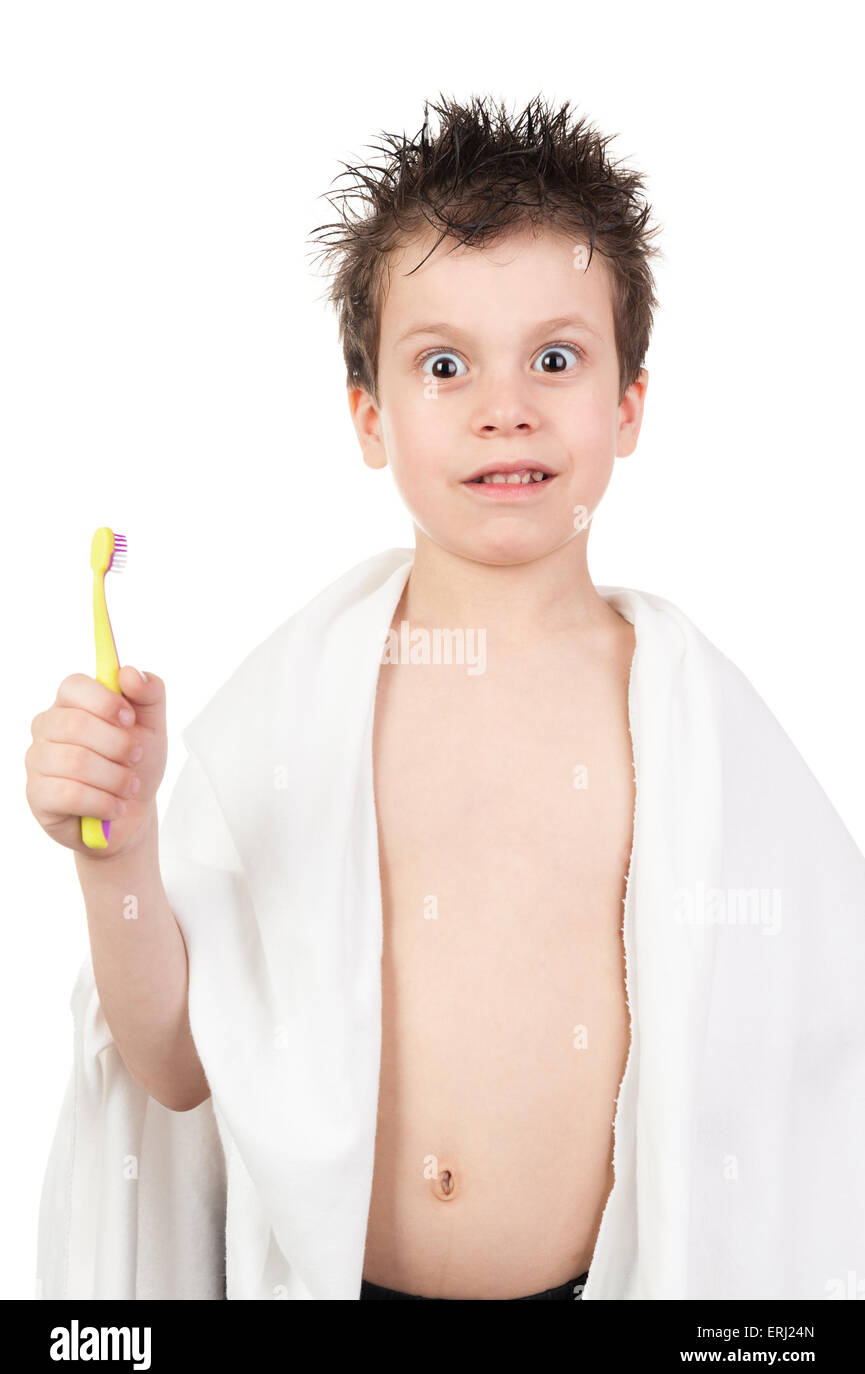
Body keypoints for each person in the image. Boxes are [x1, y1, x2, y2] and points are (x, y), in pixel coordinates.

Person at [27, 93, 865, 1301]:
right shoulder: (293, 717)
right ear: (370, 417)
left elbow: (822, 1049)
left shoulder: (694, 725)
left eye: (557, 358)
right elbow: (172, 1067)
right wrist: (120, 854)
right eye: (442, 364)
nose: (503, 405)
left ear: (628, 403)